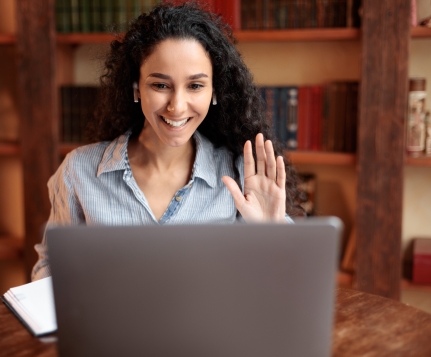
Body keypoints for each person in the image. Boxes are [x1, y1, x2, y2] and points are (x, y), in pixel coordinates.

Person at [32, 2, 304, 281]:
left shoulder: (239, 175)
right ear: (137, 88)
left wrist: (272, 234)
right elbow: (50, 266)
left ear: (214, 91)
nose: (177, 106)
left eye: (195, 86)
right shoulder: (80, 171)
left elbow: (281, 284)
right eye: (160, 85)